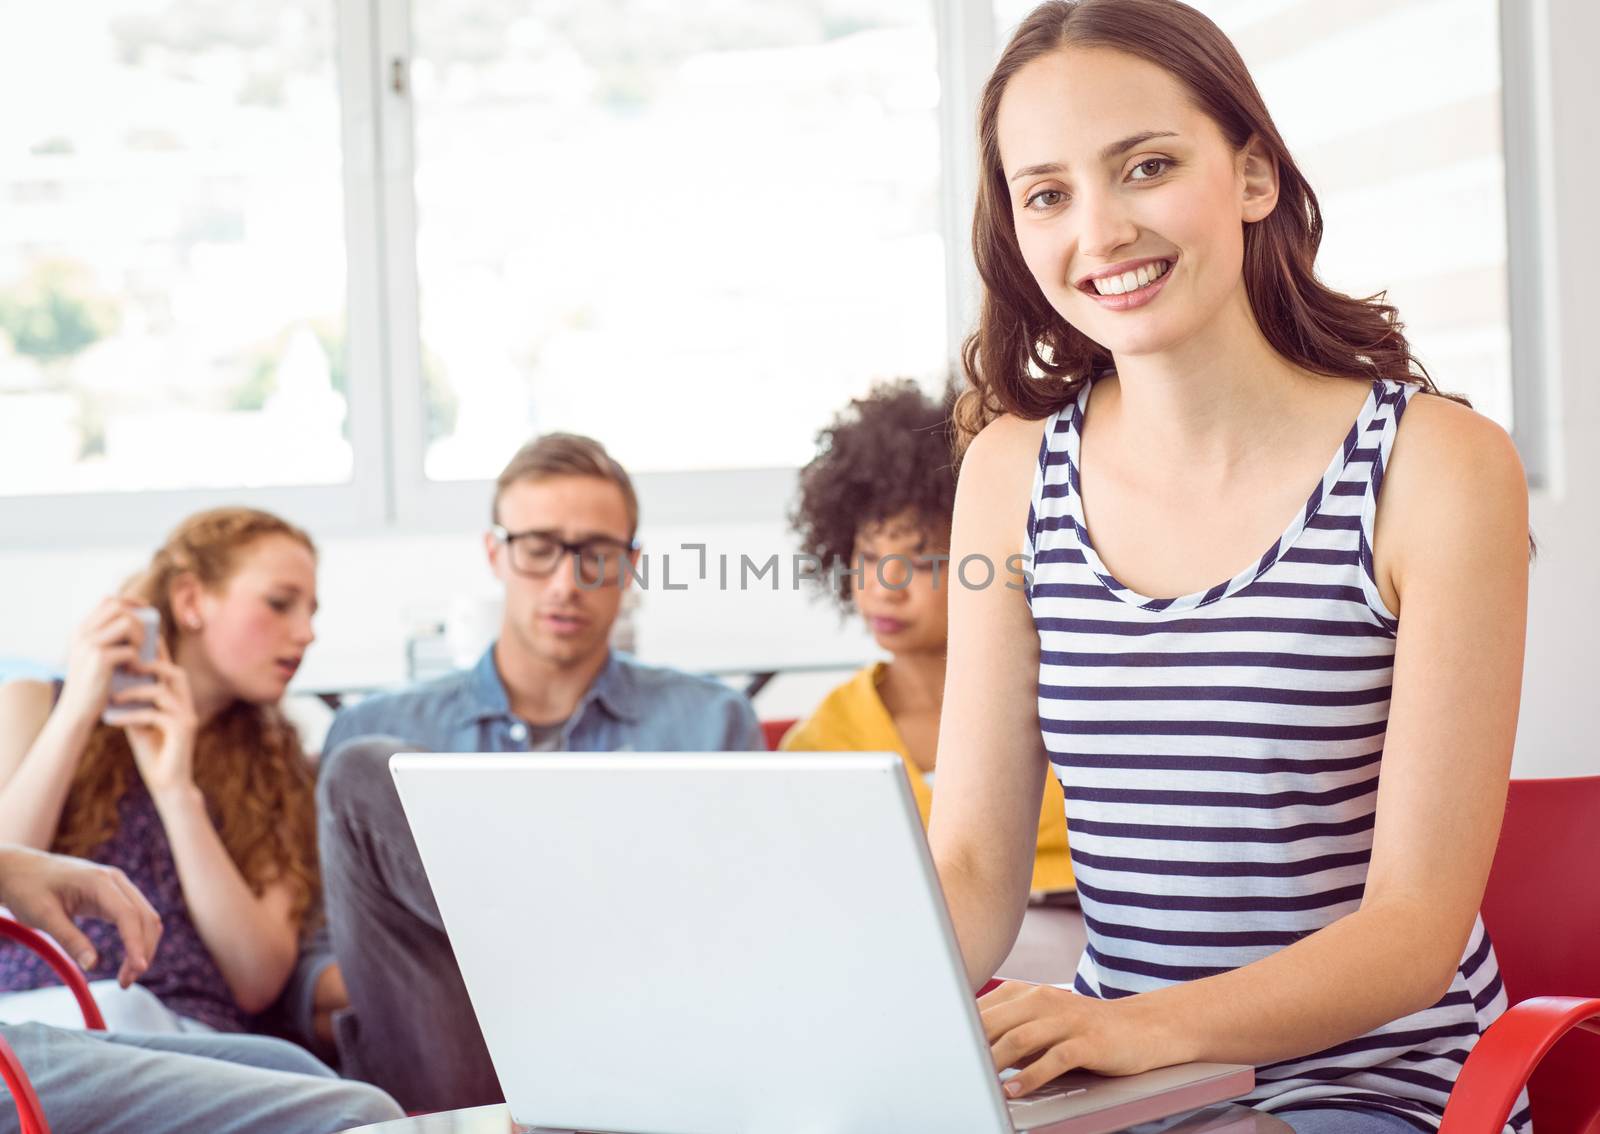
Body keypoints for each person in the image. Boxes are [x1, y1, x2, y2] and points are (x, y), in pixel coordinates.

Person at [925, 3, 1531, 1132]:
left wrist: (1137, 1028)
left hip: (1377, 1084)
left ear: (1252, 175)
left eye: (1145, 167)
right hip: (1122, 1085)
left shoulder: (1436, 469)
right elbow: (967, 866)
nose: (1099, 232)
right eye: (1047, 193)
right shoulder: (1008, 474)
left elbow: (1411, 931)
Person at [317, 432, 764, 1112]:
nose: (565, 582)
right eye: (538, 548)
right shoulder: (382, 729)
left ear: (629, 566)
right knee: (363, 771)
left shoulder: (711, 721)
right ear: (496, 554)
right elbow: (327, 949)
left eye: (595, 554)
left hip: (639, 1047)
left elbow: (744, 931)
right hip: (448, 1057)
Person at [0, 507, 341, 1040]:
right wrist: (76, 715)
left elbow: (258, 980)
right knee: (115, 1013)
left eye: (311, 611)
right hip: (39, 1021)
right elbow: (5, 879)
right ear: (189, 601)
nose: (306, 633)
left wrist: (176, 792)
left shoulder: (279, 768)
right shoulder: (34, 704)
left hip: (190, 1037)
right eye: (279, 604)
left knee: (344, 1100)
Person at [782, 379, 1073, 893]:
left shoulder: (1068, 703)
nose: (884, 588)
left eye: (919, 562)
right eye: (869, 558)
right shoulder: (822, 743)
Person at [0, 842, 402, 1133]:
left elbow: (257, 977)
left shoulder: (257, 776)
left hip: (168, 1011)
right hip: (47, 1009)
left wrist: (175, 788)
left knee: (292, 1067)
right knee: (359, 1116)